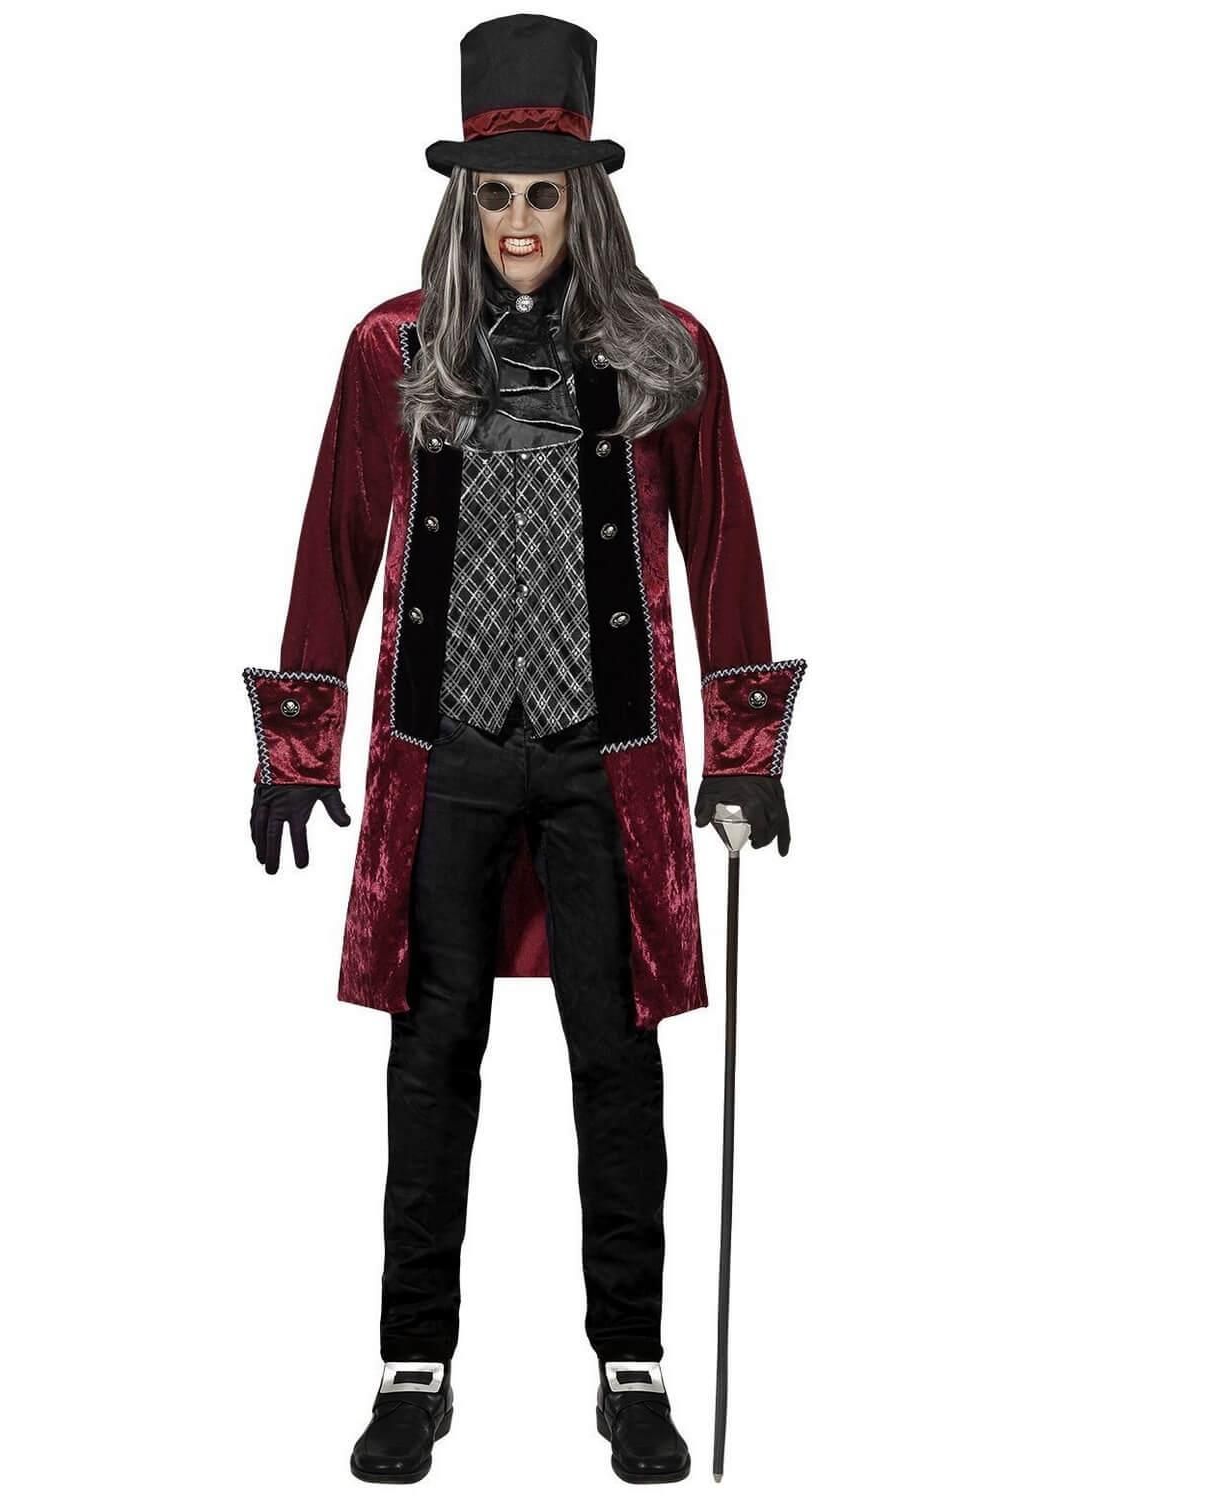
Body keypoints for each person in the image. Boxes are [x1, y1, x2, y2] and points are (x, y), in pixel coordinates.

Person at [243, 15, 805, 1484]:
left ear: (585, 202)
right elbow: (337, 536)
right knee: (431, 1057)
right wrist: (299, 740)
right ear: (462, 203)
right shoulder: (394, 348)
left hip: (602, 758)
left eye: (542, 195)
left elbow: (724, 544)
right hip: (447, 756)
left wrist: (743, 748)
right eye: (494, 195)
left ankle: (632, 1371)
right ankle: (411, 1371)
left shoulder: (664, 352)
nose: (516, 223)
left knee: (616, 1059)